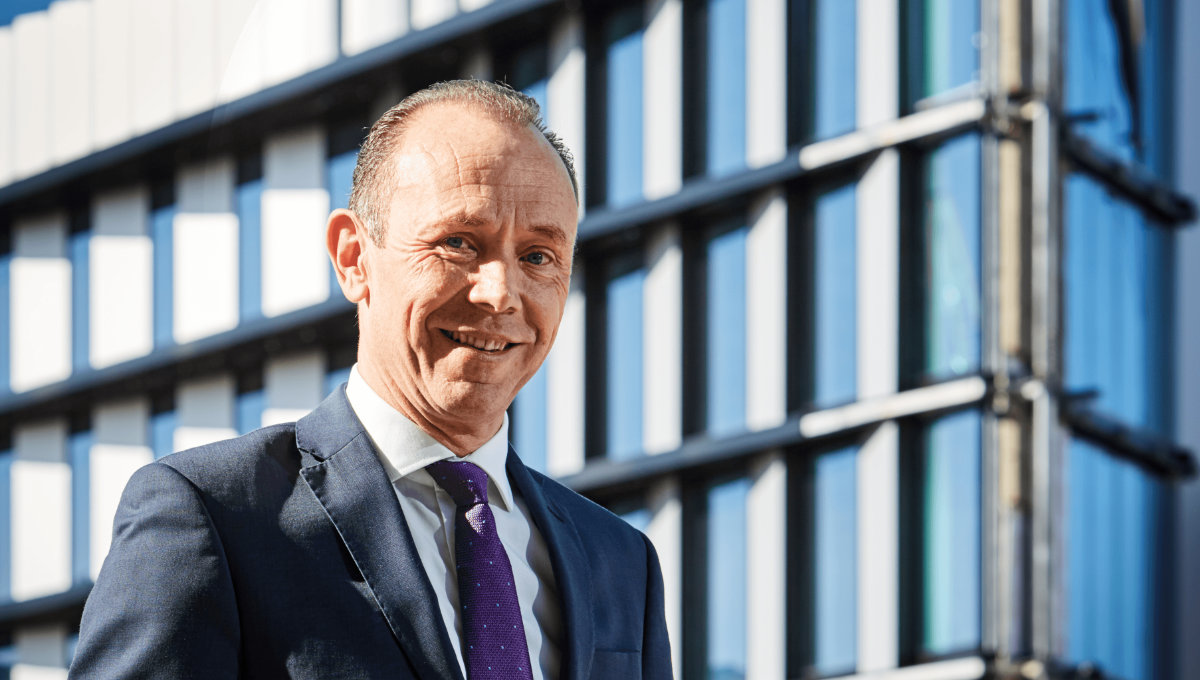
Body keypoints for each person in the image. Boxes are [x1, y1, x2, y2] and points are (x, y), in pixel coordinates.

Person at [69, 80, 672, 680]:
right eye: (458, 243)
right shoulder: (212, 516)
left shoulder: (622, 563)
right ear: (354, 257)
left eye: (538, 256)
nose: (500, 294)